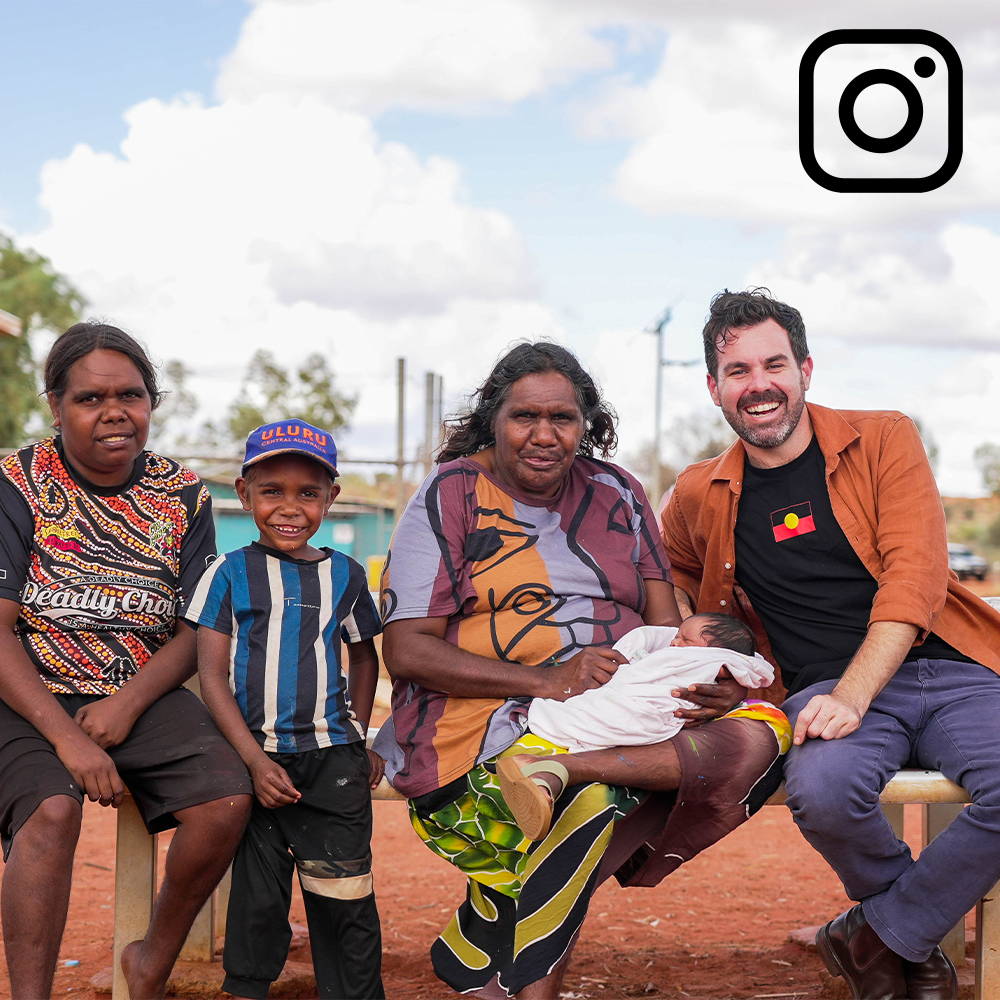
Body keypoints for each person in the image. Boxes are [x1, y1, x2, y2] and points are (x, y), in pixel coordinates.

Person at [373, 341, 790, 1000]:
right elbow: (408, 650)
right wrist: (547, 679)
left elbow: (663, 619)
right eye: (524, 417)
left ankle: (492, 923)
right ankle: (515, 970)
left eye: (563, 418)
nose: (544, 435)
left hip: (624, 709)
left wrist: (704, 682)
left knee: (764, 732)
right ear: (494, 419)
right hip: (489, 717)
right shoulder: (450, 495)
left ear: (586, 423)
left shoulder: (618, 492)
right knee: (592, 807)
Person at [661, 288, 1000, 1000]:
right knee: (821, 790)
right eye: (738, 371)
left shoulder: (882, 438)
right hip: (818, 688)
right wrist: (699, 642)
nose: (758, 385)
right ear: (714, 388)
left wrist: (856, 692)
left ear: (806, 369)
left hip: (947, 671)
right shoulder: (699, 493)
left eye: (774, 364)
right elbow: (668, 578)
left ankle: (875, 936)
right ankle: (909, 939)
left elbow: (915, 573)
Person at [0, 322, 253, 1000]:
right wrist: (67, 740)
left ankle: (151, 962)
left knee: (228, 796)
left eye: (131, 395)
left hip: (133, 689)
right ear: (56, 406)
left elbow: (193, 628)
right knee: (52, 811)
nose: (114, 411)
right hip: (25, 692)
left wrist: (127, 704)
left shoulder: (183, 495)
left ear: (152, 403)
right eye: (89, 398)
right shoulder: (17, 482)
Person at [185, 419, 386, 1000]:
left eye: (308, 493)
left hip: (333, 761)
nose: (290, 507)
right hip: (256, 763)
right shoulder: (228, 574)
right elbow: (212, 676)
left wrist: (360, 734)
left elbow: (364, 656)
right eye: (272, 491)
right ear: (244, 495)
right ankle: (247, 986)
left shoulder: (345, 575)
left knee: (344, 892)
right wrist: (251, 761)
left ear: (332, 498)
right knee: (257, 897)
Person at [503, 614, 777, 838]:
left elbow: (743, 670)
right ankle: (555, 767)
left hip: (652, 712)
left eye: (685, 639)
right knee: (607, 712)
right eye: (677, 635)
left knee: (619, 718)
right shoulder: (670, 647)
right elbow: (641, 663)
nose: (674, 642)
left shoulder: (714, 664)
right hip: (629, 703)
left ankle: (555, 766)